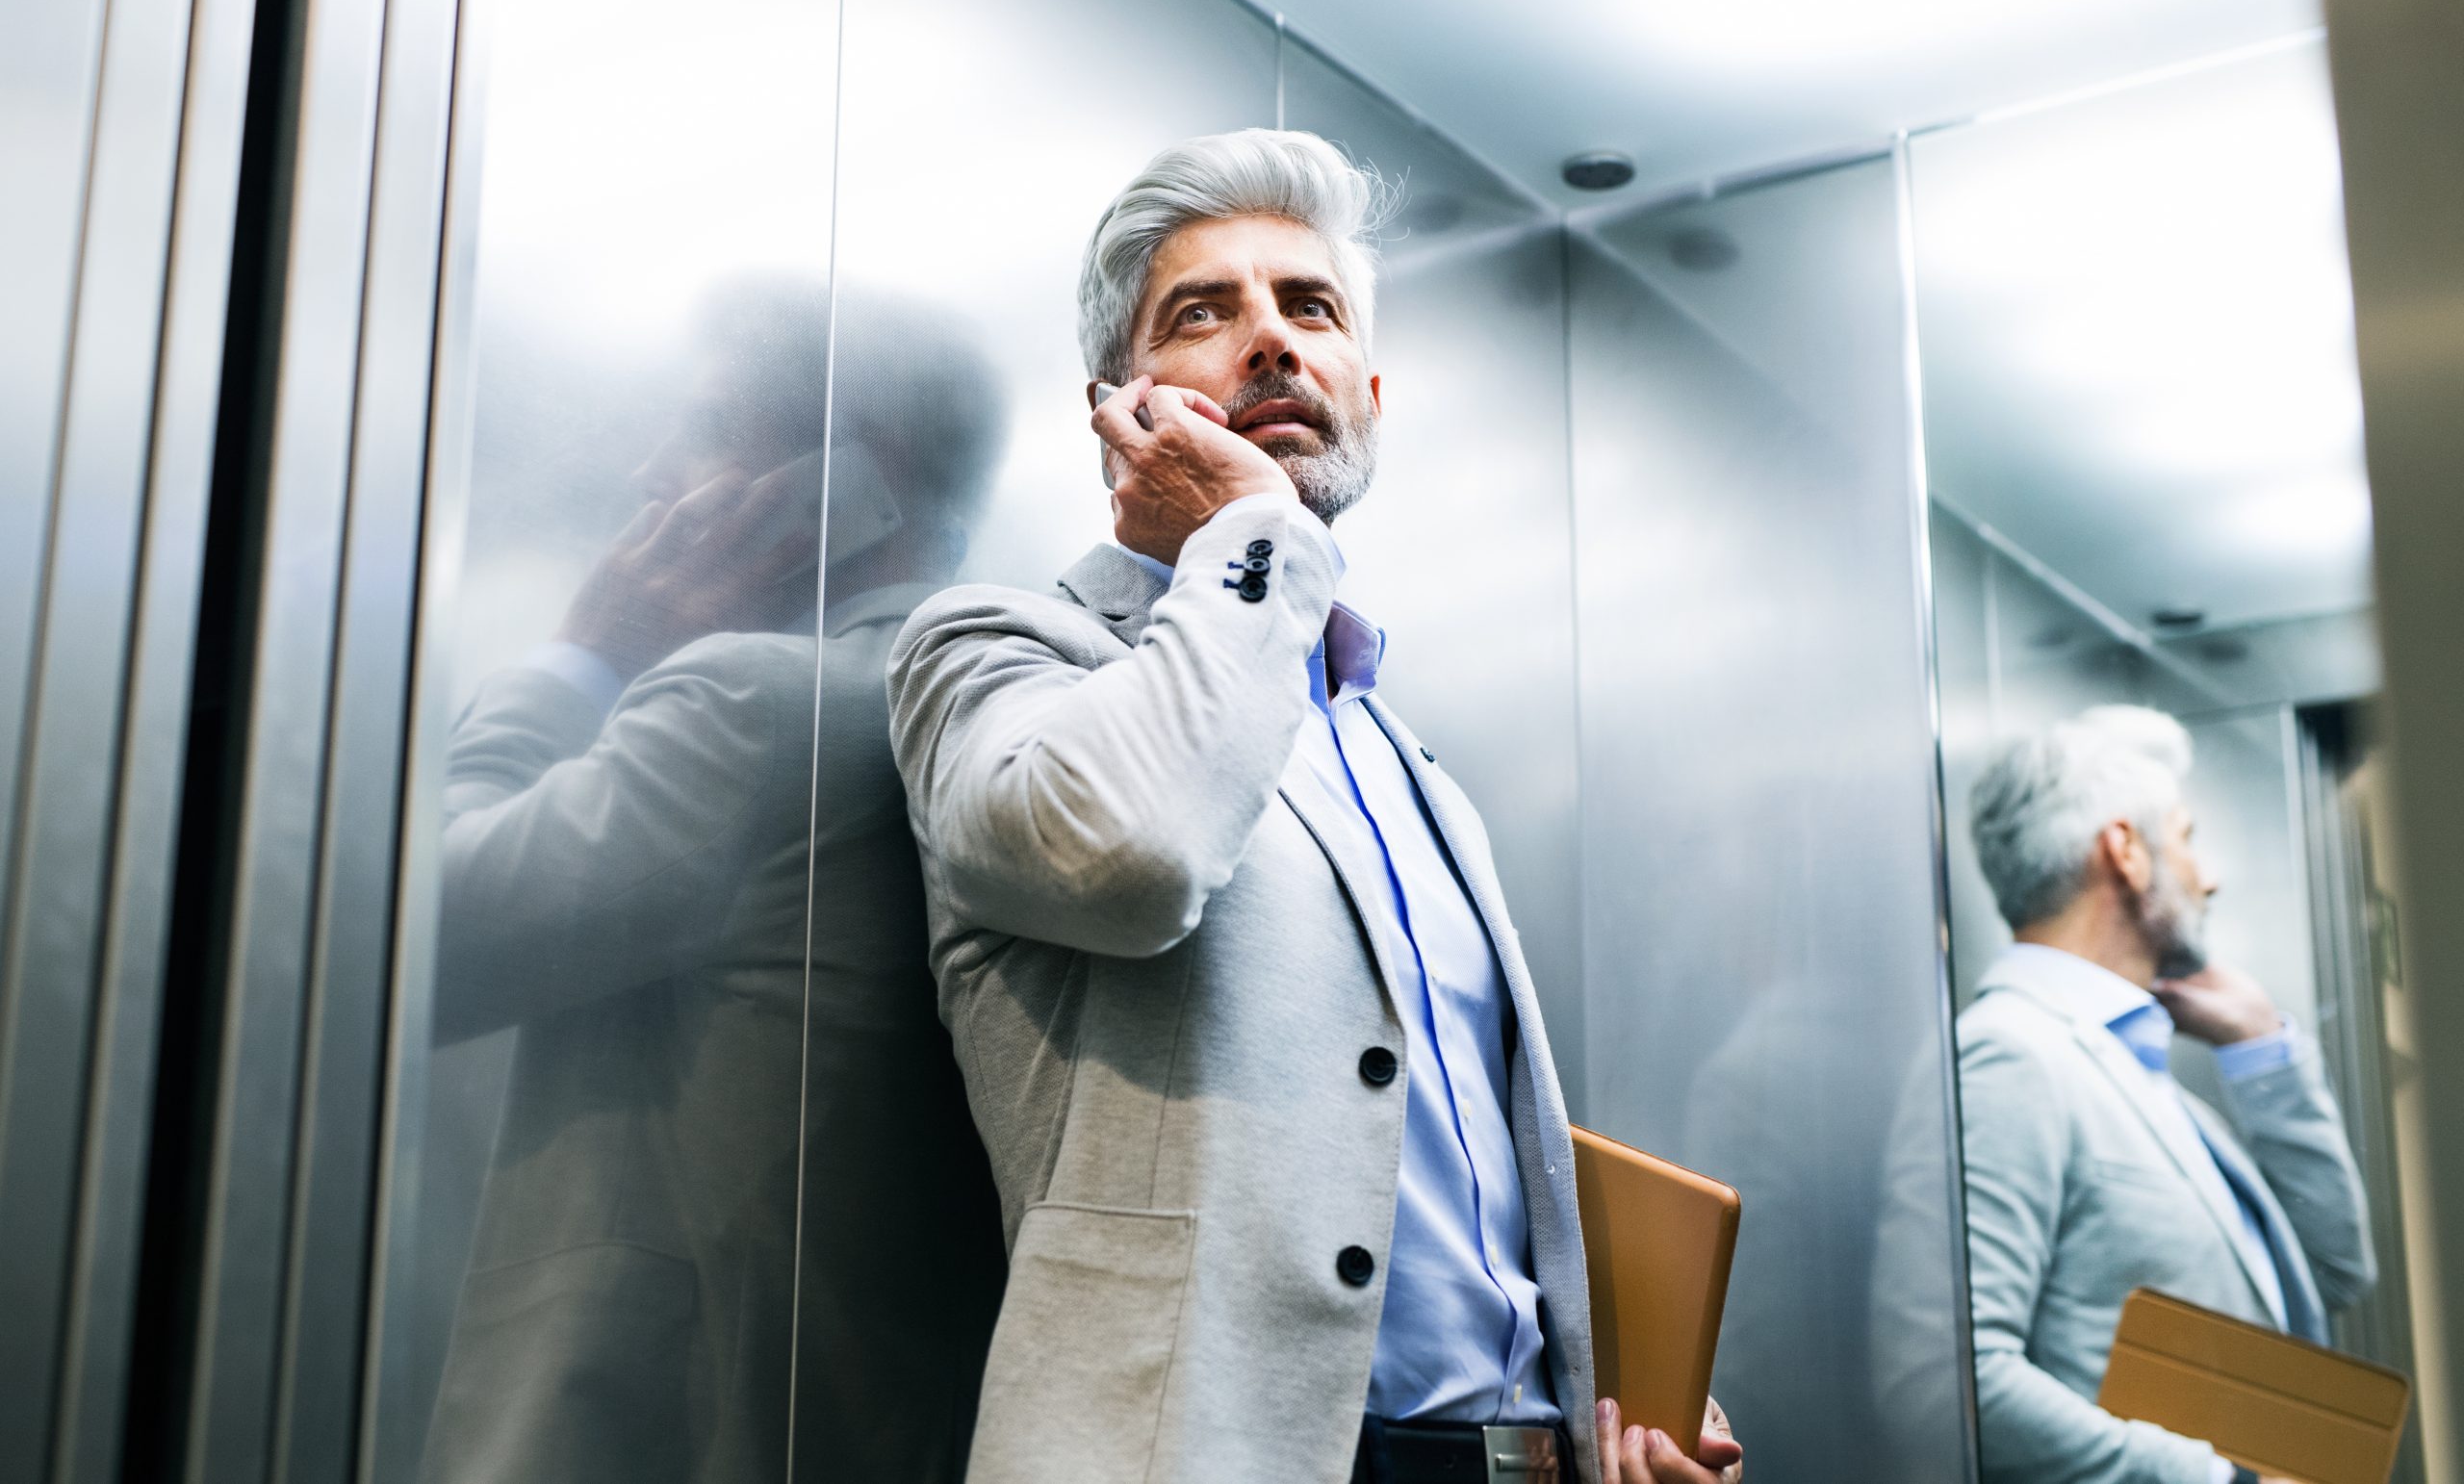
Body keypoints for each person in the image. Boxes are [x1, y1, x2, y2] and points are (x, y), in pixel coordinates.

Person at [886, 130, 1741, 1484]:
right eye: (1204, 312)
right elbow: (1133, 851)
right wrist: (1258, 528)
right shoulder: (997, 652)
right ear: (1120, 403)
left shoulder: (1410, 761)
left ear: (1370, 391)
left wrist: (1610, 1406)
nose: (1272, 342)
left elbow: (1460, 1175)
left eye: (1311, 307)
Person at [421, 281, 1009, 1482]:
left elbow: (414, 945)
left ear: (851, 480)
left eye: (704, 430)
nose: (651, 476)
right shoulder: (992, 719)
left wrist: (586, 655)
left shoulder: (757, 708)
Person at [1954, 705, 2375, 1484]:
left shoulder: (2141, 1077)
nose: (2207, 876)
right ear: (2126, 852)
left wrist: (2260, 1048)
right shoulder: (2014, 1054)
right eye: (2185, 837)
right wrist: (2225, 1480)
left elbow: (2336, 1273)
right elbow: (1961, 1376)